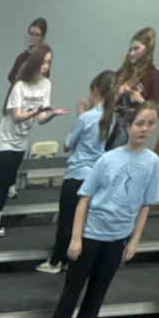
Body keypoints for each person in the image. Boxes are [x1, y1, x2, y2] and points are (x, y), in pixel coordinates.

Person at [46, 102, 159, 318]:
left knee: (99, 288)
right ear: (128, 126)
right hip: (91, 234)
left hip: (118, 237)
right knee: (74, 286)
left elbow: (146, 204)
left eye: (150, 124)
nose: (144, 129)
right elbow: (84, 199)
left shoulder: (153, 162)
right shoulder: (107, 159)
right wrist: (76, 237)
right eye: (139, 123)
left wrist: (134, 241)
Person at [37, 70, 119, 274]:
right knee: (80, 221)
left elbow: (68, 145)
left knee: (66, 220)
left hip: (77, 174)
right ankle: (69, 260)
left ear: (95, 90)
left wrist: (80, 114)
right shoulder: (111, 118)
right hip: (94, 176)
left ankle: (55, 261)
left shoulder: (87, 117)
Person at [0, 45, 68, 237]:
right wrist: (37, 110)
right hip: (5, 138)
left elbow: (41, 119)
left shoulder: (46, 85)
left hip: (21, 140)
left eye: (49, 62)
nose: (46, 66)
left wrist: (52, 114)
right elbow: (16, 117)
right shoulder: (19, 86)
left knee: (8, 175)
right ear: (35, 62)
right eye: (43, 61)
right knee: (5, 180)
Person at [114, 27, 159, 142]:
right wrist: (117, 92)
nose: (131, 53)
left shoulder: (153, 75)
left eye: (136, 49)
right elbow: (104, 96)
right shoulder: (123, 71)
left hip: (128, 128)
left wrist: (141, 101)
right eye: (130, 49)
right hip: (111, 121)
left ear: (147, 50)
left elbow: (155, 110)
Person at [6, 16, 48, 86]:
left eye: (36, 35)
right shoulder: (20, 58)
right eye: (30, 33)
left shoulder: (42, 60)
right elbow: (10, 81)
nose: (32, 37)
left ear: (42, 38)